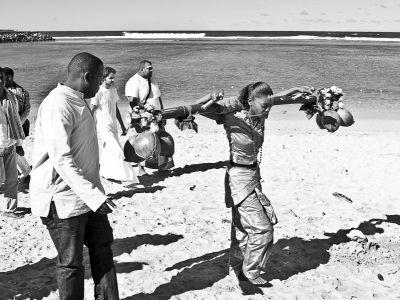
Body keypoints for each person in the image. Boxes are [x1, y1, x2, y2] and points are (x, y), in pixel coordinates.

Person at [198, 82, 313, 285]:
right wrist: (210, 96)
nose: (267, 109)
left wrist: (294, 90)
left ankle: (240, 265)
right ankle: (251, 272)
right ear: (250, 101)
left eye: (268, 106)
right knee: (263, 229)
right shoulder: (231, 115)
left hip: (253, 175)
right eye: (264, 105)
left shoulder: (261, 113)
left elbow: (276, 99)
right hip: (238, 177)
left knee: (243, 227)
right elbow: (201, 109)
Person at [30, 53, 119, 300]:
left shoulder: (79, 100)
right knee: (71, 263)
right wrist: (94, 196)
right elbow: (62, 158)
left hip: (89, 196)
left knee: (103, 249)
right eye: (100, 79)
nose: (102, 84)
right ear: (87, 76)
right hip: (62, 200)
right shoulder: (59, 104)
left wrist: (95, 194)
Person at [125, 60, 174, 175]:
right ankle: (141, 169)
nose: (152, 70)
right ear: (142, 69)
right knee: (142, 142)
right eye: (149, 68)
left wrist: (163, 113)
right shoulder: (133, 82)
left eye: (151, 68)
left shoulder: (153, 80)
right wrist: (145, 110)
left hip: (157, 115)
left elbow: (158, 97)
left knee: (161, 140)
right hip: (142, 117)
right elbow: (132, 101)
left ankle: (162, 166)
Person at [91, 66, 138, 183]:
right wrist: (89, 126)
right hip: (103, 127)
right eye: (111, 78)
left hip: (113, 126)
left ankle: (106, 174)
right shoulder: (98, 92)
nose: (113, 80)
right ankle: (129, 177)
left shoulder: (113, 90)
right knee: (118, 150)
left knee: (108, 151)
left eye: (114, 78)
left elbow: (115, 108)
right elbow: (91, 110)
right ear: (103, 78)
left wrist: (121, 125)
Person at [0, 67, 25, 218]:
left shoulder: (11, 97)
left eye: (1, 77)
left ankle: (10, 210)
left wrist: (19, 144)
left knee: (12, 180)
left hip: (9, 143)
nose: (0, 80)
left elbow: (15, 121)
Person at [2, 67, 31, 182]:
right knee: (13, 150)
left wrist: (17, 123)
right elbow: (27, 110)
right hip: (18, 125)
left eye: (2, 78)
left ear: (9, 77)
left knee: (12, 149)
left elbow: (24, 110)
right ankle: (24, 171)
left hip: (14, 127)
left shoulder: (15, 93)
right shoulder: (22, 91)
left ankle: (24, 171)